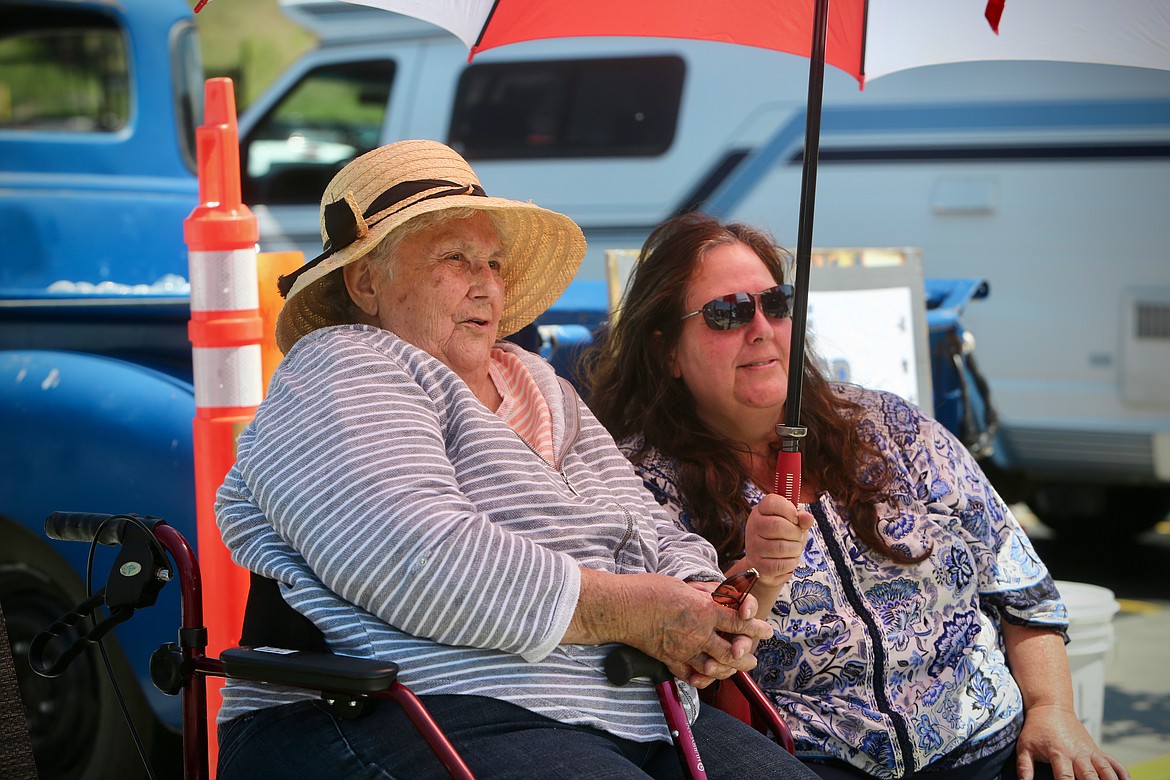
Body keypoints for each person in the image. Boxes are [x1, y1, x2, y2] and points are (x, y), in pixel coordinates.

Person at [213, 141, 816, 780]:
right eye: (454, 258)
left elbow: (646, 524)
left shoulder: (535, 380)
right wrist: (635, 611)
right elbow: (419, 559)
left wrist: (706, 602)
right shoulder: (345, 363)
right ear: (366, 281)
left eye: (495, 263)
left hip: (627, 708)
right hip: (408, 704)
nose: (487, 284)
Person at [585, 213, 1129, 780]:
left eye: (776, 303)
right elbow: (690, 663)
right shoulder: (634, 481)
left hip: (990, 741)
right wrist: (756, 576)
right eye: (727, 313)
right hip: (811, 759)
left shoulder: (890, 425)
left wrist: (1052, 711)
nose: (762, 329)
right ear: (666, 350)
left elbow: (1022, 589)